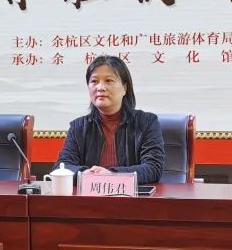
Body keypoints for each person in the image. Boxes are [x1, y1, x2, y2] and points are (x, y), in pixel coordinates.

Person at [56, 55, 164, 185]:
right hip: (89, 196)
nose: (100, 87)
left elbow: (153, 167)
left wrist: (112, 175)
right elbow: (61, 167)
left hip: (131, 196)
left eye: (108, 80)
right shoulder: (78, 127)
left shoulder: (146, 122)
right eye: (94, 81)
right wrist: (85, 174)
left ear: (125, 88)